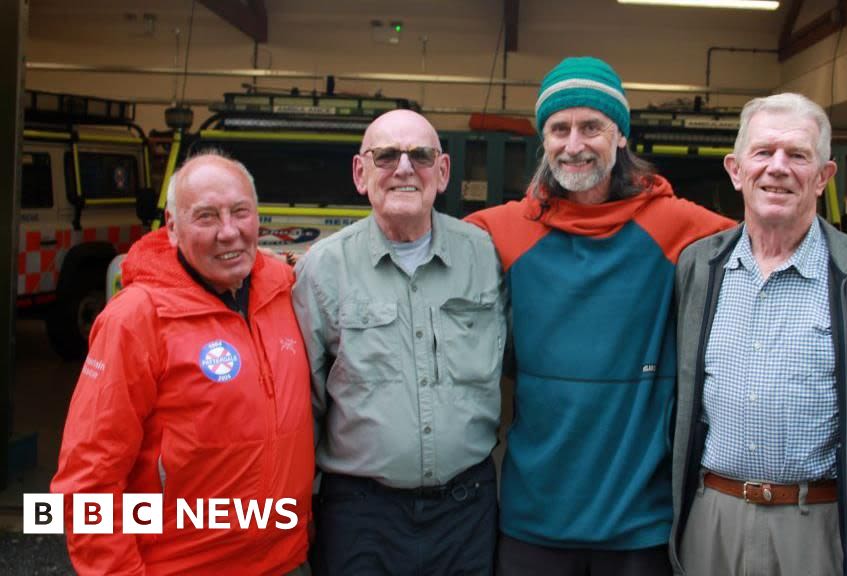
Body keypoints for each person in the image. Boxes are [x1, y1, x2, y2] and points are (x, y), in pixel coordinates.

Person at [465, 57, 847, 575]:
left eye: (592, 126)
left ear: (620, 137)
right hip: (535, 515)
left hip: (641, 522)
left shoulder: (681, 229)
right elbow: (427, 250)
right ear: (542, 140)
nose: (574, 144)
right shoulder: (495, 230)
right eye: (559, 128)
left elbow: (774, 226)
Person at [669, 93, 847, 576]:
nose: (778, 168)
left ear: (823, 175)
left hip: (819, 525)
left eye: (798, 155)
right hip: (712, 517)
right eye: (764, 152)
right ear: (736, 169)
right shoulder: (698, 267)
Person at [50, 152, 314, 575]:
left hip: (285, 561)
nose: (228, 232)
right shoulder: (136, 319)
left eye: (240, 212)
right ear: (172, 229)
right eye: (206, 217)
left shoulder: (287, 291)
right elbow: (88, 481)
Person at [292, 109, 506, 575]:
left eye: (421, 155)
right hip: (361, 516)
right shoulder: (323, 269)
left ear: (443, 171)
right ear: (360, 172)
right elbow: (301, 408)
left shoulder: (487, 257)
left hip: (466, 512)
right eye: (386, 155)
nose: (405, 168)